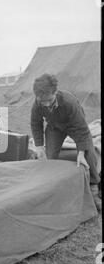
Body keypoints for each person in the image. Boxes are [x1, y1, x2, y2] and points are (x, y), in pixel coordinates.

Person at [30, 73, 101, 209]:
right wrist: (39, 147)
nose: (46, 104)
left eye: (49, 100)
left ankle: (94, 190)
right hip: (54, 127)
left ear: (55, 92)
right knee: (50, 157)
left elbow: (82, 129)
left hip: (74, 126)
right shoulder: (38, 103)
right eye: (42, 101)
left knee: (89, 155)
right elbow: (35, 124)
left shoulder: (69, 102)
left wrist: (81, 152)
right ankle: (57, 184)